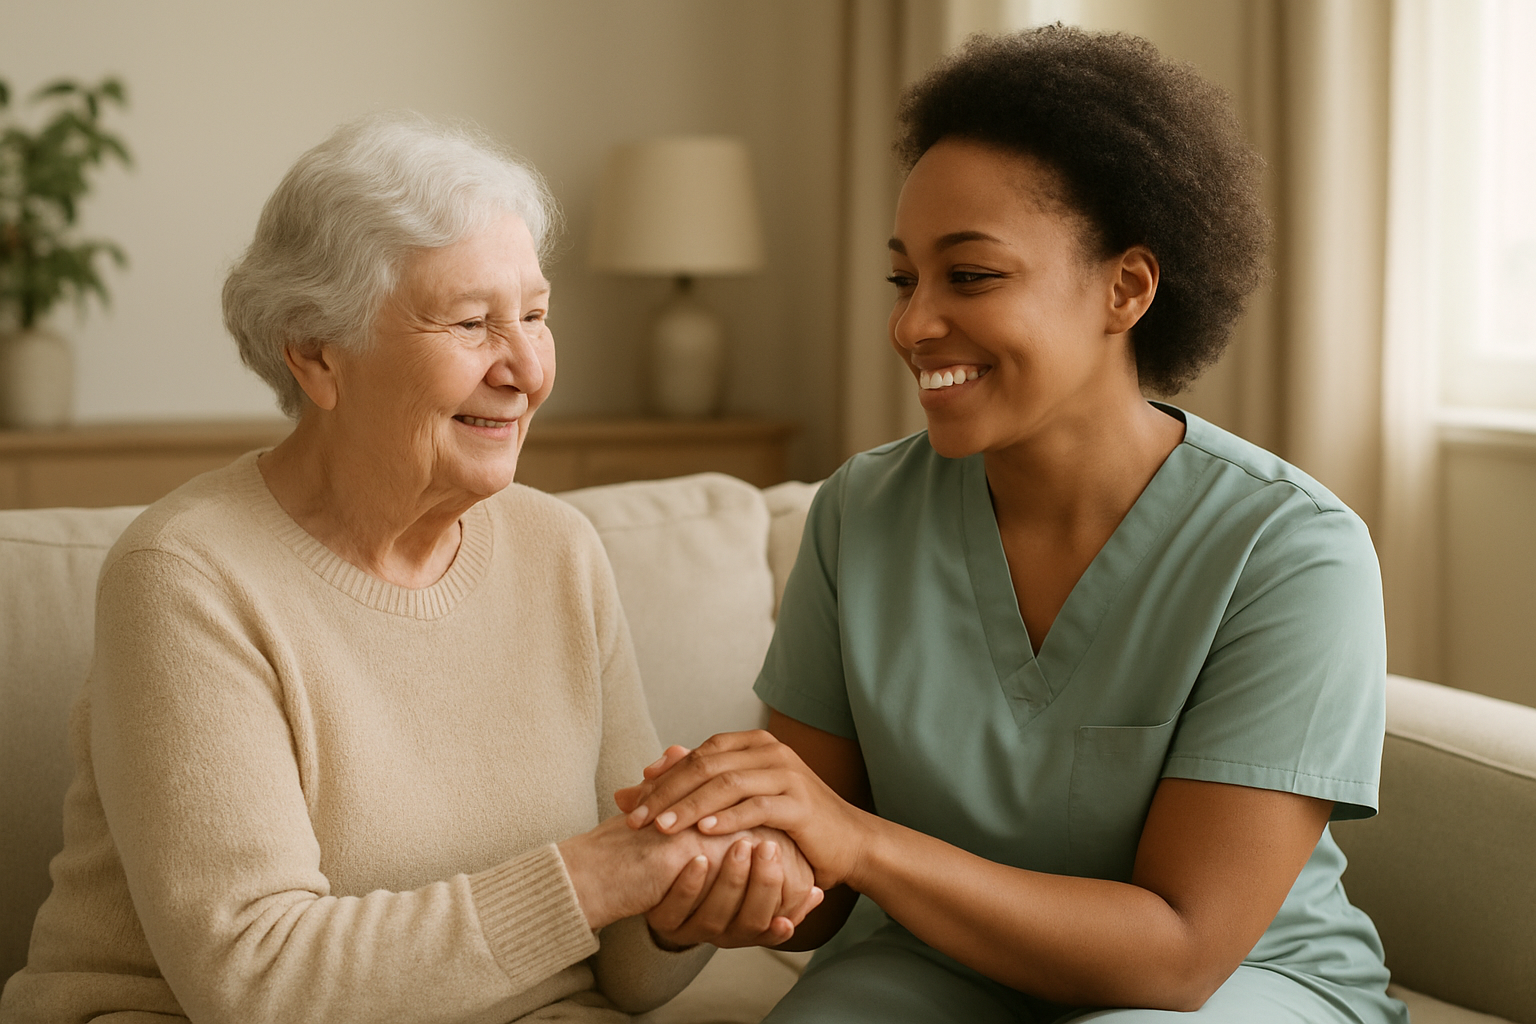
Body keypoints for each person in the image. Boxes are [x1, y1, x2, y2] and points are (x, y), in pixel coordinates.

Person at [616, 26, 1408, 1024]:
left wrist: (862, 841)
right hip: (939, 960)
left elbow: (1180, 956)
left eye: (971, 276)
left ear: (1127, 288)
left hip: (1229, 984)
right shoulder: (860, 513)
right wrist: (733, 864)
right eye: (904, 279)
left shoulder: (1290, 551)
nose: (912, 324)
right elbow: (822, 886)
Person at [0, 113, 818, 1024]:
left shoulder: (559, 552)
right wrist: (597, 874)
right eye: (472, 323)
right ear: (316, 354)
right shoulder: (187, 578)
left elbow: (624, 974)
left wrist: (687, 895)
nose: (527, 370)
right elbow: (256, 983)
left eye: (536, 316)